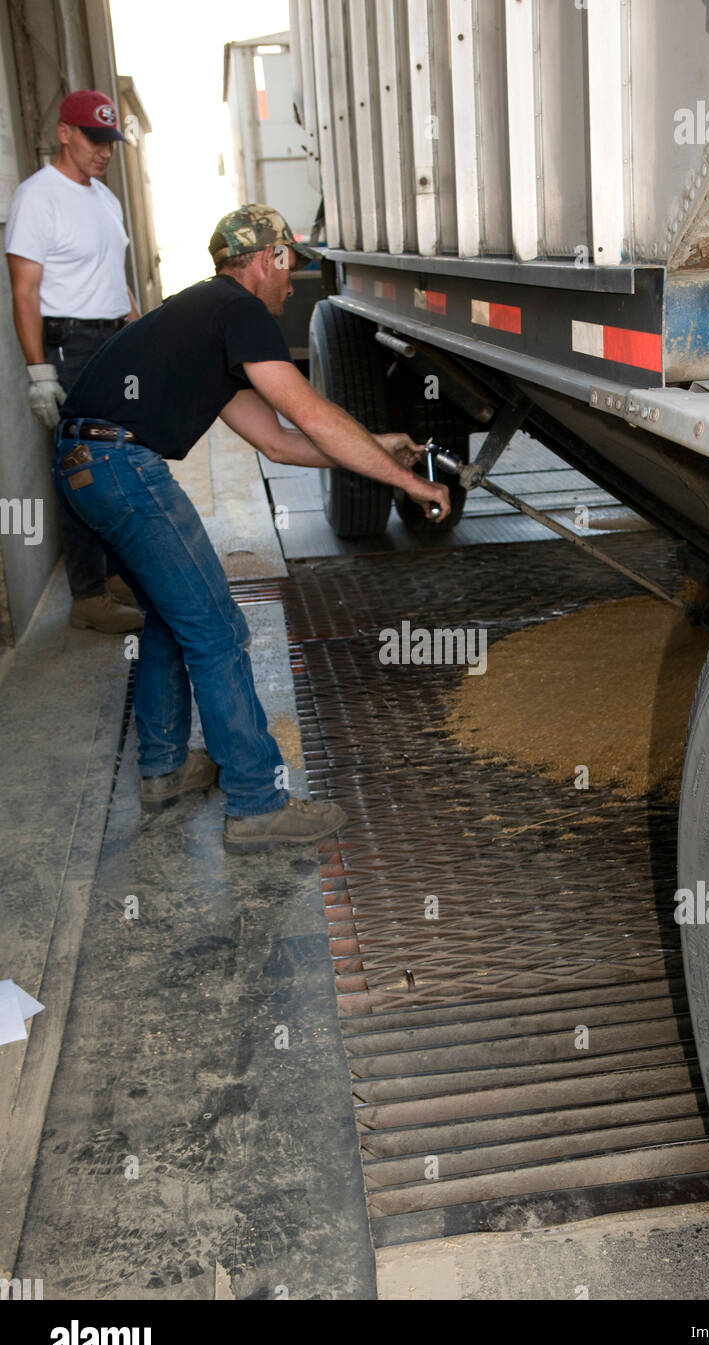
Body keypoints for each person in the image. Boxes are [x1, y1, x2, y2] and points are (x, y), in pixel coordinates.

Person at [54, 203, 450, 851]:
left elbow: (281, 442)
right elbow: (316, 416)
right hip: (119, 465)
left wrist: (381, 446)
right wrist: (410, 483)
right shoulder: (240, 312)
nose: (292, 283)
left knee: (170, 617)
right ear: (268, 260)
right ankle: (257, 803)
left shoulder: (208, 319)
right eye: (290, 265)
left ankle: (163, 769)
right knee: (217, 628)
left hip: (84, 464)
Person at [5, 89, 143, 634]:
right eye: (93, 139)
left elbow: (115, 275)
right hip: (70, 346)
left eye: (110, 141)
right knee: (82, 469)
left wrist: (138, 329)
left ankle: (109, 576)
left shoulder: (104, 199)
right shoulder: (38, 197)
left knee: (114, 464)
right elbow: (24, 291)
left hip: (111, 342)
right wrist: (39, 372)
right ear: (65, 133)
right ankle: (87, 596)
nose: (103, 152)